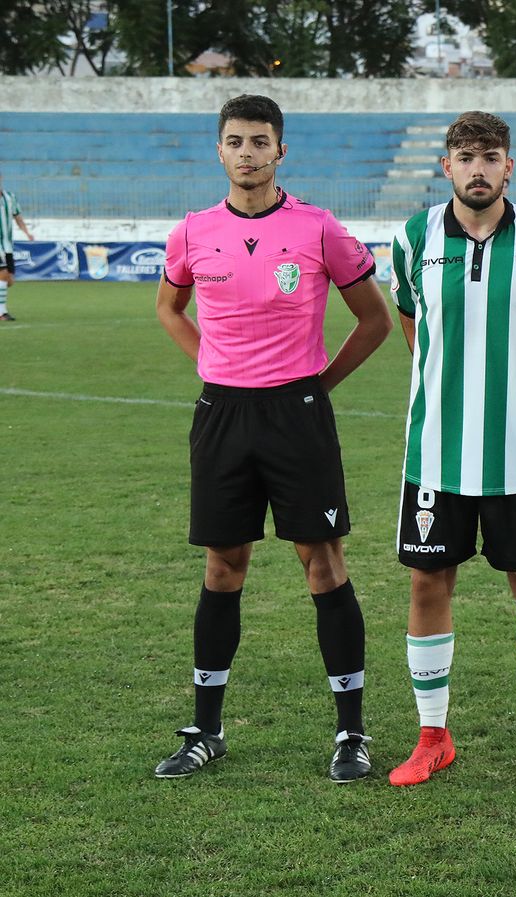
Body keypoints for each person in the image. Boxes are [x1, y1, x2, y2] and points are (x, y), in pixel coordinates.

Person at [154, 94, 392, 781]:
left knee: (323, 562)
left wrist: (320, 382)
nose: (248, 152)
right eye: (236, 141)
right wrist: (210, 363)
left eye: (261, 141)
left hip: (299, 413)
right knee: (222, 566)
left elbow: (373, 320)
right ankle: (205, 728)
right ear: (219, 151)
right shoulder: (194, 231)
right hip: (223, 416)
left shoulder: (318, 229)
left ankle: (351, 733)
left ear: (280, 151)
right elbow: (169, 307)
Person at [386, 111, 516, 789]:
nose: (478, 168)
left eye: (490, 156)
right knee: (426, 583)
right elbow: (413, 324)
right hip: (436, 452)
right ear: (446, 166)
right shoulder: (412, 239)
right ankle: (433, 736)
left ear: (510, 165)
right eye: (465, 156)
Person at [0, 171, 35, 322]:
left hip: (7, 245)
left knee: (9, 281)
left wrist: (27, 232)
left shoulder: (10, 197)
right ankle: (2, 313)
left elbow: (17, 216)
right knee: (3, 273)